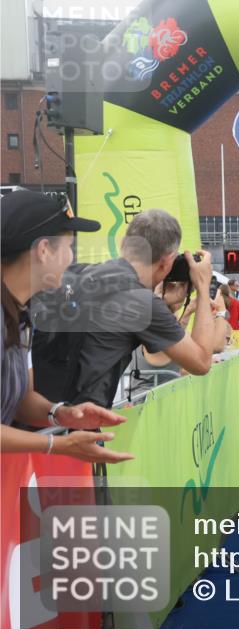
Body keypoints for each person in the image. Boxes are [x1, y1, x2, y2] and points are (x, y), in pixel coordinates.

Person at [31, 209, 220, 411]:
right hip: (78, 425)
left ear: (123, 244)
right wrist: (201, 285)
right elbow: (201, 363)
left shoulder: (80, 273)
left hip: (37, 415)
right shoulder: (144, 304)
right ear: (167, 261)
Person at [0, 190, 129, 462]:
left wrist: (60, 413)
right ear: (44, 250)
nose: (72, 258)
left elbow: (20, 400)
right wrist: (57, 445)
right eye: (69, 247)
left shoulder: (21, 313)